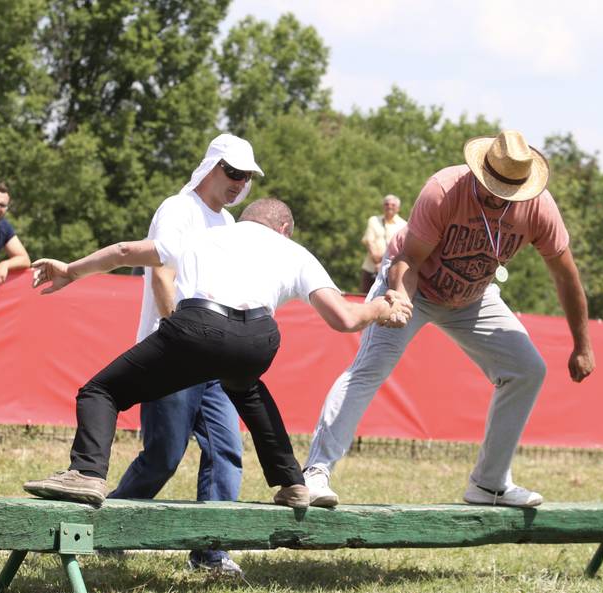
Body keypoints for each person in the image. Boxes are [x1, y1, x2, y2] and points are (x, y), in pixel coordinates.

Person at [22, 198, 412, 514]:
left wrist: (71, 270)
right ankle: (292, 483)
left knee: (101, 392)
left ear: (244, 220)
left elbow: (125, 251)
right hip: (259, 339)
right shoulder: (295, 252)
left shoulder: (206, 236)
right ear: (284, 229)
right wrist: (382, 308)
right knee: (247, 388)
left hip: (197, 328)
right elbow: (345, 319)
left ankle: (86, 473)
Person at [303, 130, 596, 509]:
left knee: (528, 369)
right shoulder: (444, 189)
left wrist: (582, 344)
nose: (498, 197)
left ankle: (490, 484)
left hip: (474, 296)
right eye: (493, 187)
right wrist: (400, 301)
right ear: (480, 172)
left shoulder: (539, 208)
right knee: (369, 368)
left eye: (509, 191)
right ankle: (315, 474)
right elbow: (409, 259)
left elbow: (566, 276)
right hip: (414, 285)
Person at [111, 133, 260, 576]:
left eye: (246, 176)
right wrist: (181, 338)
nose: (238, 183)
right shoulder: (177, 209)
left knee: (227, 449)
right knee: (163, 456)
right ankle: (105, 528)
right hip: (172, 353)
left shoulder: (229, 224)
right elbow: (162, 275)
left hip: (214, 358)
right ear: (212, 166)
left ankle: (210, 551)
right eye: (232, 172)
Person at [359, 194, 406, 292]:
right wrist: (378, 262)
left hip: (391, 272)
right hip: (370, 268)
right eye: (387, 204)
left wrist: (383, 263)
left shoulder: (404, 225)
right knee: (364, 298)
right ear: (383, 206)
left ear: (398, 208)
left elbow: (402, 249)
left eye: (393, 205)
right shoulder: (373, 220)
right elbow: (369, 242)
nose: (389, 206)